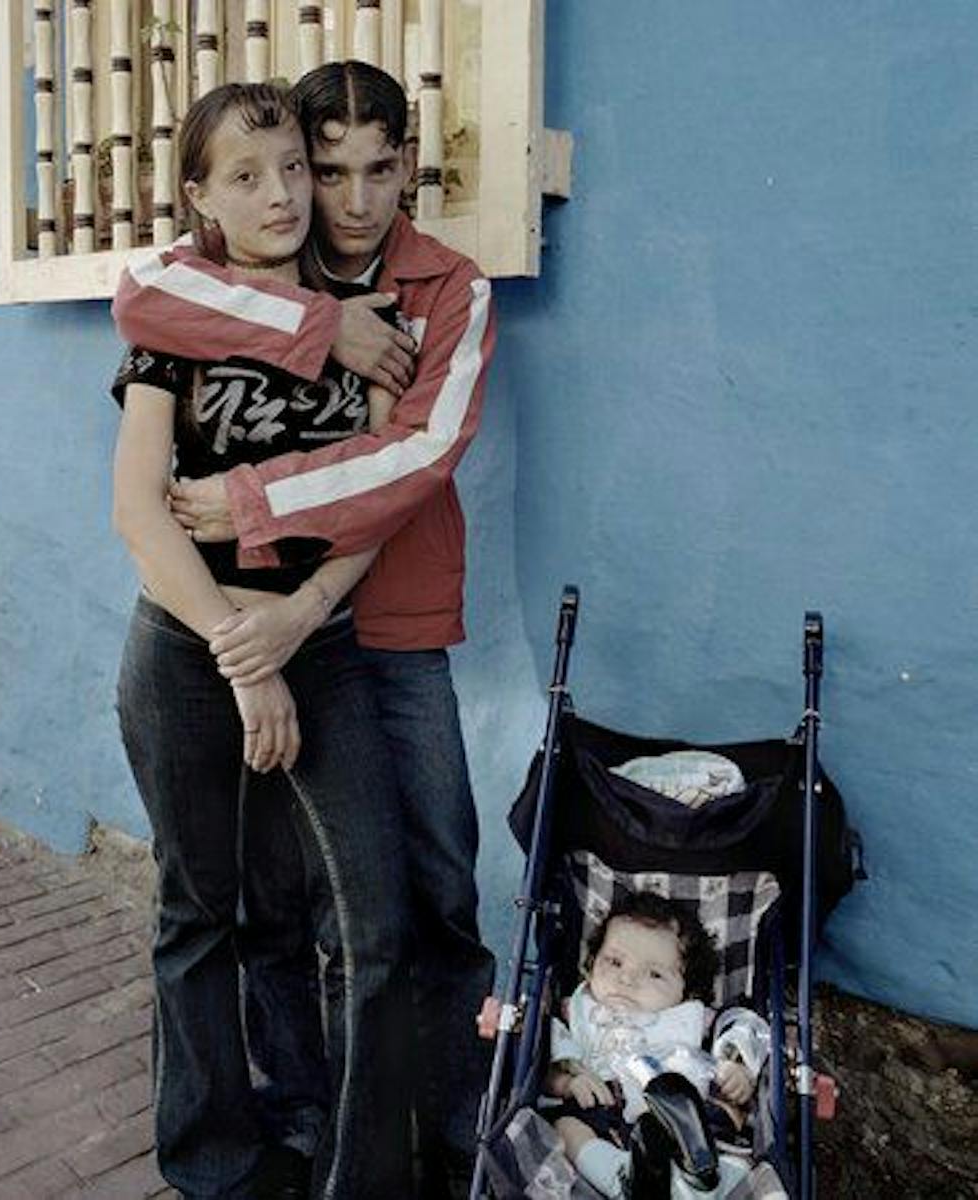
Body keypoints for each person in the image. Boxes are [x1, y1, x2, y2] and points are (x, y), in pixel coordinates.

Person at [112, 59, 497, 1199]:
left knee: (420, 892)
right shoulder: (223, 288)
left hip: (354, 628)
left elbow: (411, 463)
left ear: (409, 169)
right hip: (224, 641)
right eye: (323, 171)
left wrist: (259, 526)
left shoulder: (438, 293)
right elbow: (139, 311)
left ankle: (434, 1144)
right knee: (247, 906)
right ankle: (270, 1136)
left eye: (374, 171)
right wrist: (320, 325)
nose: (338, 197)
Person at [545, 892, 770, 1198]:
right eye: (615, 962)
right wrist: (568, 1083)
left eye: (654, 974)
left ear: (688, 991)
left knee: (728, 1123)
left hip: (682, 1116)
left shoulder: (694, 1018)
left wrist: (736, 1067)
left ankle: (694, 1179)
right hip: (604, 1110)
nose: (627, 978)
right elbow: (547, 1063)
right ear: (591, 963)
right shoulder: (575, 1011)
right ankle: (619, 1178)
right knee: (565, 1128)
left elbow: (741, 1026)